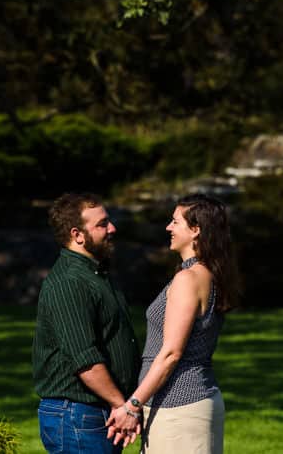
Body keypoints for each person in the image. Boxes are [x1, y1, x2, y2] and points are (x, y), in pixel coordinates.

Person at [106, 193, 240, 453]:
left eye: (175, 222)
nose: (168, 227)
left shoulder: (189, 279)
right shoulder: (206, 273)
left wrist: (132, 406)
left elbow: (170, 353)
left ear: (195, 230)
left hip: (179, 407)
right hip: (187, 406)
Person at [32, 192, 143, 453]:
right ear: (77, 234)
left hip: (93, 412)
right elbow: (86, 360)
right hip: (77, 414)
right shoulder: (70, 281)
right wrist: (124, 406)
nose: (112, 228)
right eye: (102, 224)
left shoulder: (94, 274)